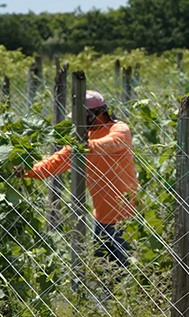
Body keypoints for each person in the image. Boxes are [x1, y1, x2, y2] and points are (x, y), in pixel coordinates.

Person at [25, 90, 139, 268]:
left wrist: (83, 147)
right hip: (101, 217)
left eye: (81, 117)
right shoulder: (83, 140)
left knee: (128, 270)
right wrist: (27, 171)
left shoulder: (119, 129)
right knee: (103, 271)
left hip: (127, 217)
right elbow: (55, 162)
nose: (77, 123)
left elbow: (112, 142)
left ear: (97, 114)